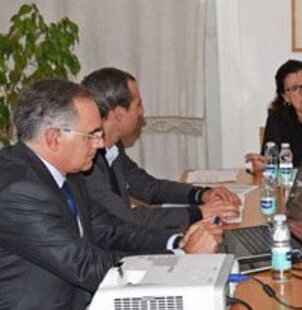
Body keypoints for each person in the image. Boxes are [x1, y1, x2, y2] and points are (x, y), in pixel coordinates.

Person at [0, 80, 223, 310]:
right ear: (54, 138)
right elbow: (86, 266)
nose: (99, 144)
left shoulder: (66, 172)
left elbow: (111, 230)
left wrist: (176, 242)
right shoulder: (18, 192)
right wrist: (181, 258)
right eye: (92, 135)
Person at [80, 67, 240, 231]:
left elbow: (148, 187)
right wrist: (199, 213)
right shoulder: (87, 161)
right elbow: (124, 218)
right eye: (138, 105)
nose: (141, 112)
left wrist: (202, 194)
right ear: (119, 113)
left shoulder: (113, 146)